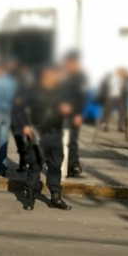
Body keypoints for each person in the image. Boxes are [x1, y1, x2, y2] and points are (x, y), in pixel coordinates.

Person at [21, 63, 72, 211]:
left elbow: (68, 108)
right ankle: (30, 197)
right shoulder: (33, 91)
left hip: (55, 133)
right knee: (35, 164)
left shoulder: (61, 91)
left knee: (55, 165)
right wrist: (24, 125)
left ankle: (55, 197)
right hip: (36, 132)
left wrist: (66, 110)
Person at [62, 50, 88, 177]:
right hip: (61, 113)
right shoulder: (63, 76)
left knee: (72, 140)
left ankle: (73, 165)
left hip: (74, 113)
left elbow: (82, 97)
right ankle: (66, 164)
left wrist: (79, 114)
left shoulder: (80, 78)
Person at [11, 62, 33, 173]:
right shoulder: (18, 84)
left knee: (28, 142)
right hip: (17, 118)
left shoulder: (31, 87)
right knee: (21, 141)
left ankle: (26, 163)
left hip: (26, 118)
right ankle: (24, 163)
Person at [101, 67, 128, 133]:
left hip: (120, 98)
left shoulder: (124, 81)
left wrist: (124, 89)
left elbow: (126, 91)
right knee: (108, 111)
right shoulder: (111, 78)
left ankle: (120, 126)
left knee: (122, 111)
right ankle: (104, 125)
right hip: (111, 96)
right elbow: (105, 87)